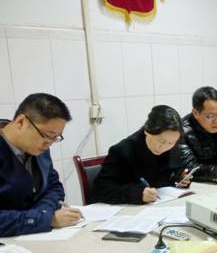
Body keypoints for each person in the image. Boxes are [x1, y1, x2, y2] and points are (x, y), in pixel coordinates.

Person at [0, 93, 81, 237]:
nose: (49, 143)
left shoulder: (38, 148)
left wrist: (42, 212)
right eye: (46, 135)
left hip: (35, 236)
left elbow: (54, 187)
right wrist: (46, 219)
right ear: (21, 122)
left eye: (55, 137)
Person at [91, 105, 188, 205]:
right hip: (130, 209)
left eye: (171, 143)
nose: (164, 147)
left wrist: (180, 177)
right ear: (147, 130)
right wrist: (137, 194)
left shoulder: (172, 146)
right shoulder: (122, 151)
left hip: (165, 205)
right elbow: (100, 190)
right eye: (160, 141)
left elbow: (170, 174)